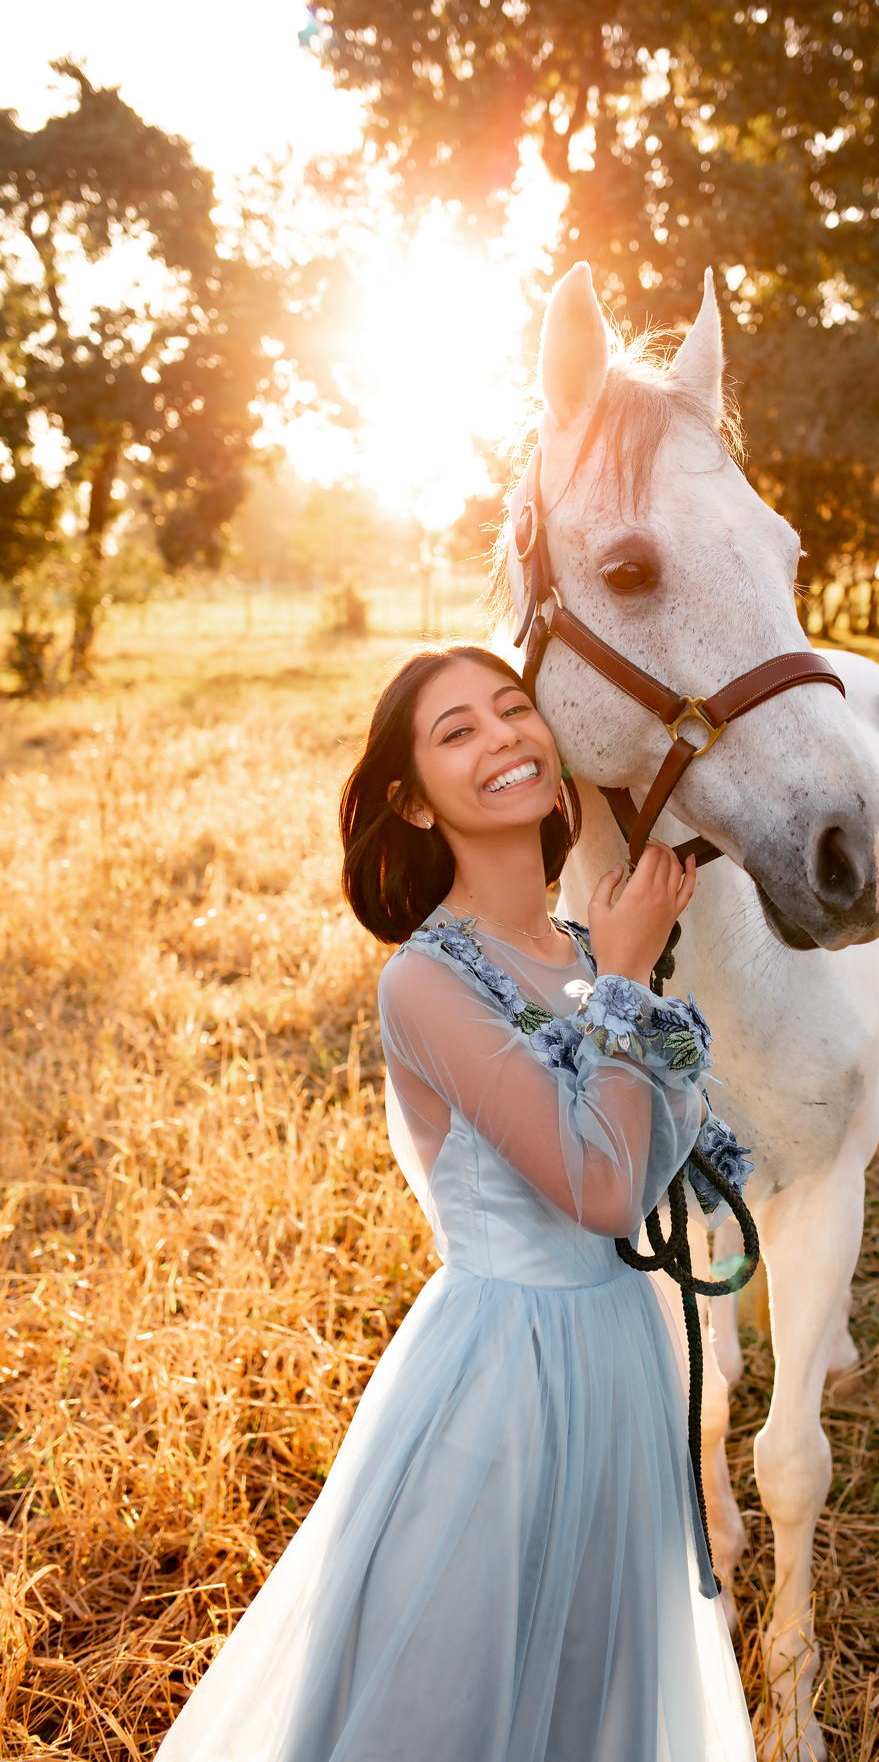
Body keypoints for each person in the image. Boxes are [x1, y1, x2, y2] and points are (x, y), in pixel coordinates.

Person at [155, 644, 755, 1762]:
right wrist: (629, 982)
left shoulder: (583, 947)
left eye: (514, 710)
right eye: (457, 732)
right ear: (412, 802)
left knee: (590, 1670)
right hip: (501, 1374)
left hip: (621, 1354)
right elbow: (598, 1187)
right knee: (454, 1682)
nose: (504, 739)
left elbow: (677, 1168)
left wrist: (625, 976)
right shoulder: (427, 979)